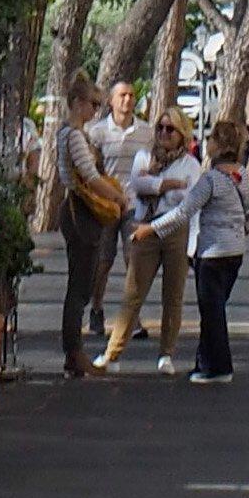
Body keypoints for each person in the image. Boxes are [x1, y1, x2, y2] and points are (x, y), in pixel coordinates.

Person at [100, 111, 194, 372]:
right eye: (160, 128)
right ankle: (112, 354)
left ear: (182, 134)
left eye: (170, 129)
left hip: (175, 230)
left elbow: (186, 205)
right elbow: (137, 184)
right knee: (133, 293)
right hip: (143, 226)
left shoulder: (190, 165)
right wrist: (169, 184)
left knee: (173, 296)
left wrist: (155, 183)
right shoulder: (144, 156)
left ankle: (166, 355)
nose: (163, 133)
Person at [45, 81, 123, 380]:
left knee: (80, 284)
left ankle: (74, 352)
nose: (95, 110)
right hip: (81, 212)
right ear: (77, 102)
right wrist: (116, 197)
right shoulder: (75, 136)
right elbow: (90, 177)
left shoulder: (67, 133)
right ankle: (75, 352)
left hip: (75, 210)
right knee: (80, 285)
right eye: (93, 103)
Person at [171, 120, 249, 384]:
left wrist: (150, 229)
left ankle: (219, 366)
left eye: (210, 139)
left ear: (217, 145)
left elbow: (184, 211)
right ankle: (204, 361)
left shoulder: (210, 180)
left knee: (212, 312)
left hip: (212, 253)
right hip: (235, 251)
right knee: (215, 309)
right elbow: (247, 209)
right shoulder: (242, 174)